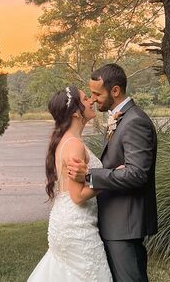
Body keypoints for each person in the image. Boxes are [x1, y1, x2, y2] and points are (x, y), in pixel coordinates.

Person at [68, 63, 158, 282]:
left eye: (97, 94)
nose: (93, 99)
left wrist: (89, 176)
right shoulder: (122, 118)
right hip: (115, 222)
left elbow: (137, 174)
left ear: (115, 90)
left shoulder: (135, 121)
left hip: (125, 224)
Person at [27, 86, 113, 282]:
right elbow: (78, 196)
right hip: (77, 226)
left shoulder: (65, 140)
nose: (91, 100)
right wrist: (109, 178)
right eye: (85, 99)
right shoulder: (73, 145)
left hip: (64, 219)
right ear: (75, 112)